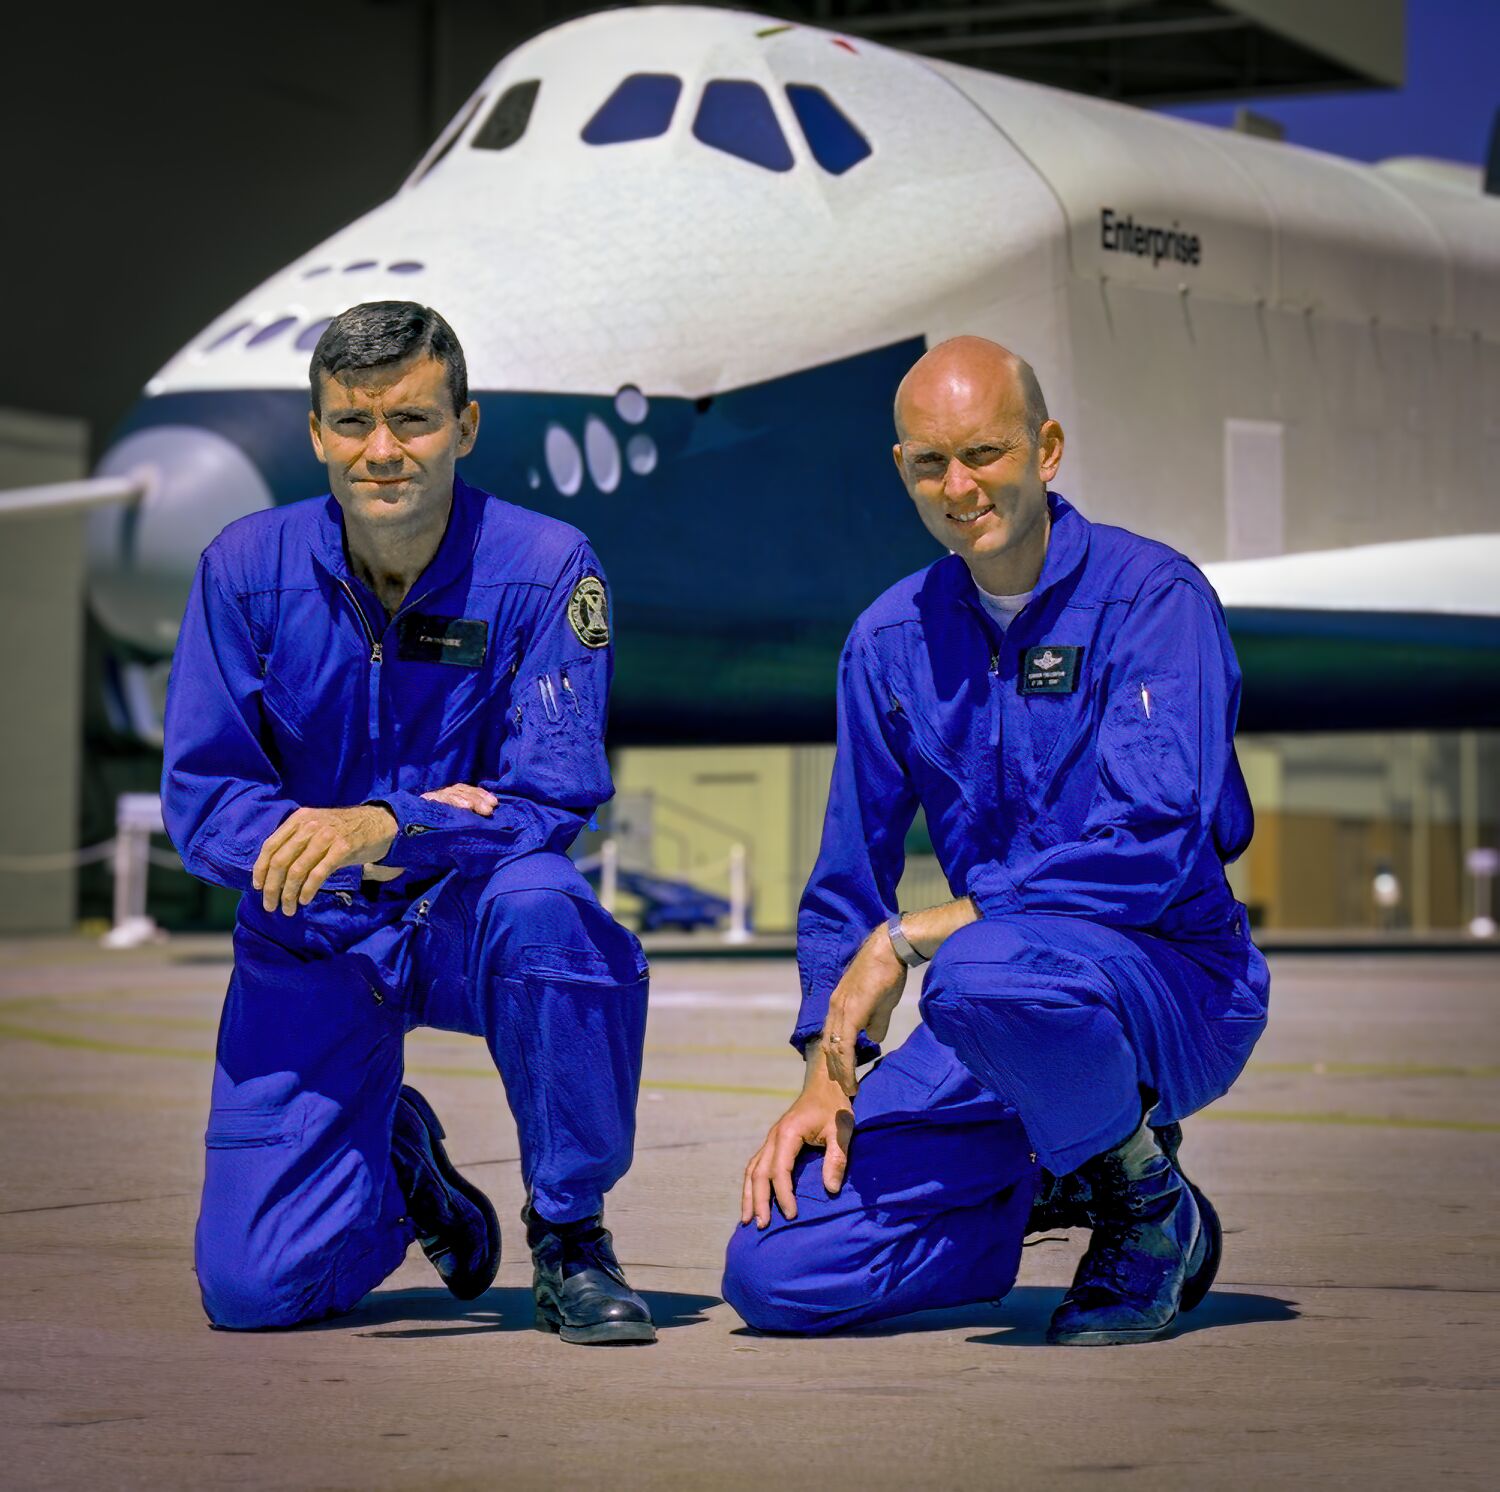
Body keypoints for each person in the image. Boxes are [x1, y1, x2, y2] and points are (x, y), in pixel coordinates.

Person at [723, 336, 1269, 1344]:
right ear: (902, 469)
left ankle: (1148, 1209)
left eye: (985, 453)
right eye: (931, 463)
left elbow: (1152, 844)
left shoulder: (1154, 601)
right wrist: (825, 1074)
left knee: (978, 970)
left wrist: (913, 936)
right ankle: (1070, 1167)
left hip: (1173, 982)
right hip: (1000, 1012)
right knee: (776, 1269)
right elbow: (847, 877)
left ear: (1046, 449)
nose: (959, 486)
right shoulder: (888, 639)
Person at [162, 300, 655, 1344]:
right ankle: (396, 1161)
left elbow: (552, 794)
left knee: (547, 906)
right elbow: (206, 798)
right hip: (314, 930)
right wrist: (341, 845)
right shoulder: (242, 570)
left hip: (470, 913)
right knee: (254, 1294)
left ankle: (571, 1236)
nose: (381, 451)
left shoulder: (546, 566)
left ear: (464, 426)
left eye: (412, 421)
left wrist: (392, 823)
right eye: (353, 422)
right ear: (317, 434)